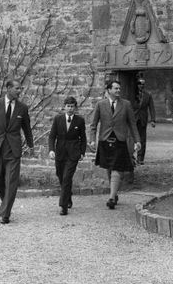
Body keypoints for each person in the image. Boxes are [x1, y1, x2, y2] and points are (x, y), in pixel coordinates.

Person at [0, 79, 34, 224]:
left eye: (20, 89)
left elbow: (27, 128)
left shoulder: (22, 108)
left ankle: (5, 213)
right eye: (17, 88)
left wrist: (31, 145)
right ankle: (6, 201)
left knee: (11, 182)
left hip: (13, 150)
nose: (20, 91)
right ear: (9, 88)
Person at [90, 80, 141, 209]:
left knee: (116, 167)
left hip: (120, 140)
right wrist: (92, 140)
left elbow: (132, 124)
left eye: (119, 88)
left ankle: (111, 197)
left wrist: (137, 140)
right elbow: (93, 125)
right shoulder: (100, 105)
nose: (118, 90)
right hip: (105, 140)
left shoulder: (126, 105)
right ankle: (114, 191)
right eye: (116, 88)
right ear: (109, 90)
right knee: (108, 167)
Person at [48, 96, 87, 216]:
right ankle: (68, 196)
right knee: (61, 176)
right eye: (68, 106)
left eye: (72, 106)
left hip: (73, 153)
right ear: (64, 107)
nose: (70, 109)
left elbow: (83, 138)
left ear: (75, 108)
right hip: (60, 153)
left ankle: (63, 206)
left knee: (66, 177)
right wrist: (51, 150)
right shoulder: (58, 119)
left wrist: (82, 152)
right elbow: (52, 136)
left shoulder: (80, 120)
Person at [133, 78, 156, 164]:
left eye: (143, 84)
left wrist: (153, 120)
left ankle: (140, 158)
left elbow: (151, 108)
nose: (141, 85)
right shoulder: (132, 94)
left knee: (142, 139)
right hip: (133, 119)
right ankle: (131, 157)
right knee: (132, 138)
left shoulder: (148, 95)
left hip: (142, 119)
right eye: (139, 84)